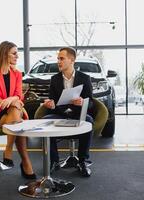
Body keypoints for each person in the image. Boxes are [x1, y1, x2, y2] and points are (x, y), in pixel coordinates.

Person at [0, 41, 36, 179]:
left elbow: (19, 95)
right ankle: (25, 162)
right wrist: (5, 101)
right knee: (18, 119)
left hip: (12, 112)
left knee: (15, 112)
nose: (17, 56)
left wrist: (11, 100)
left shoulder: (17, 74)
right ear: (4, 54)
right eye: (14, 53)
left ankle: (10, 150)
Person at [42, 47, 94, 177]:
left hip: (78, 114)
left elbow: (92, 103)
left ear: (72, 60)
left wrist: (82, 102)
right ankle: (54, 161)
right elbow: (52, 100)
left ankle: (82, 161)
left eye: (61, 58)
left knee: (88, 120)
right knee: (45, 120)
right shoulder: (55, 79)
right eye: (58, 58)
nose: (58, 61)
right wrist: (50, 104)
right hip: (60, 113)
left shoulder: (85, 78)